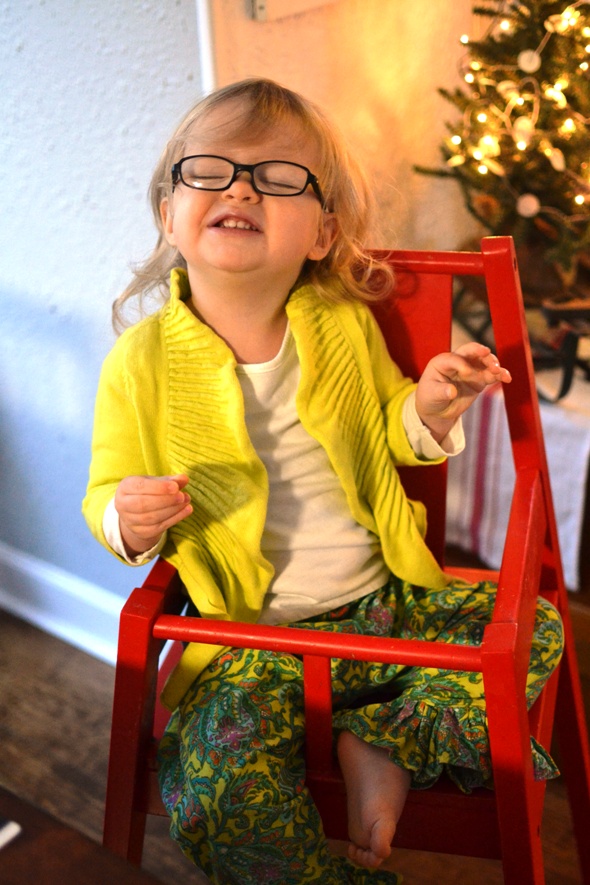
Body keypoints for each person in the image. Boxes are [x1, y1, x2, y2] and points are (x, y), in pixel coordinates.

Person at [83, 78, 563, 885]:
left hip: (385, 609)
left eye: (277, 178)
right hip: (250, 642)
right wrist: (128, 518)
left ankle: (385, 738)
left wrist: (430, 404)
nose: (240, 189)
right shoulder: (141, 362)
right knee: (213, 790)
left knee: (537, 627)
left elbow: (389, 434)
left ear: (322, 233)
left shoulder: (339, 323)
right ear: (169, 212)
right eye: (209, 171)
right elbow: (105, 492)